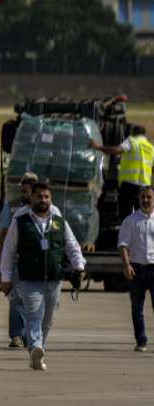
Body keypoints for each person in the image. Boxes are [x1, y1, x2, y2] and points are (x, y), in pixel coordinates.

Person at [0, 182, 86, 371]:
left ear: (51, 199)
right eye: (39, 197)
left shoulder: (59, 221)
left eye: (47, 197)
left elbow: (72, 246)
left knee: (48, 320)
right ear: (32, 198)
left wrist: (79, 266)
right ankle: (35, 348)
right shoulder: (20, 221)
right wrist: (5, 278)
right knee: (34, 315)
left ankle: (39, 352)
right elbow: (8, 250)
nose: (43, 200)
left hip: (54, 279)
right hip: (29, 279)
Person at [0, 172, 39, 348]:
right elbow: (4, 235)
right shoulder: (11, 207)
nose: (22, 195)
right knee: (17, 298)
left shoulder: (45, 208)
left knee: (35, 299)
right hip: (16, 261)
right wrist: (3, 263)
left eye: (26, 192)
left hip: (36, 261)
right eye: (21, 191)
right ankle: (16, 335)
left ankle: (31, 334)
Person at [117, 184, 154, 352]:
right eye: (143, 197)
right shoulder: (130, 221)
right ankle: (141, 340)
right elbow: (123, 245)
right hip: (136, 269)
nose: (146, 200)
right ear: (139, 199)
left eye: (149, 197)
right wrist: (126, 265)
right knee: (137, 308)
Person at [90, 125, 153, 222]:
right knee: (143, 218)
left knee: (126, 216)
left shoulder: (132, 141)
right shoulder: (151, 148)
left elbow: (117, 150)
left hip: (129, 185)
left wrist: (98, 147)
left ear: (133, 133)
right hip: (144, 187)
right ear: (144, 135)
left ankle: (127, 236)